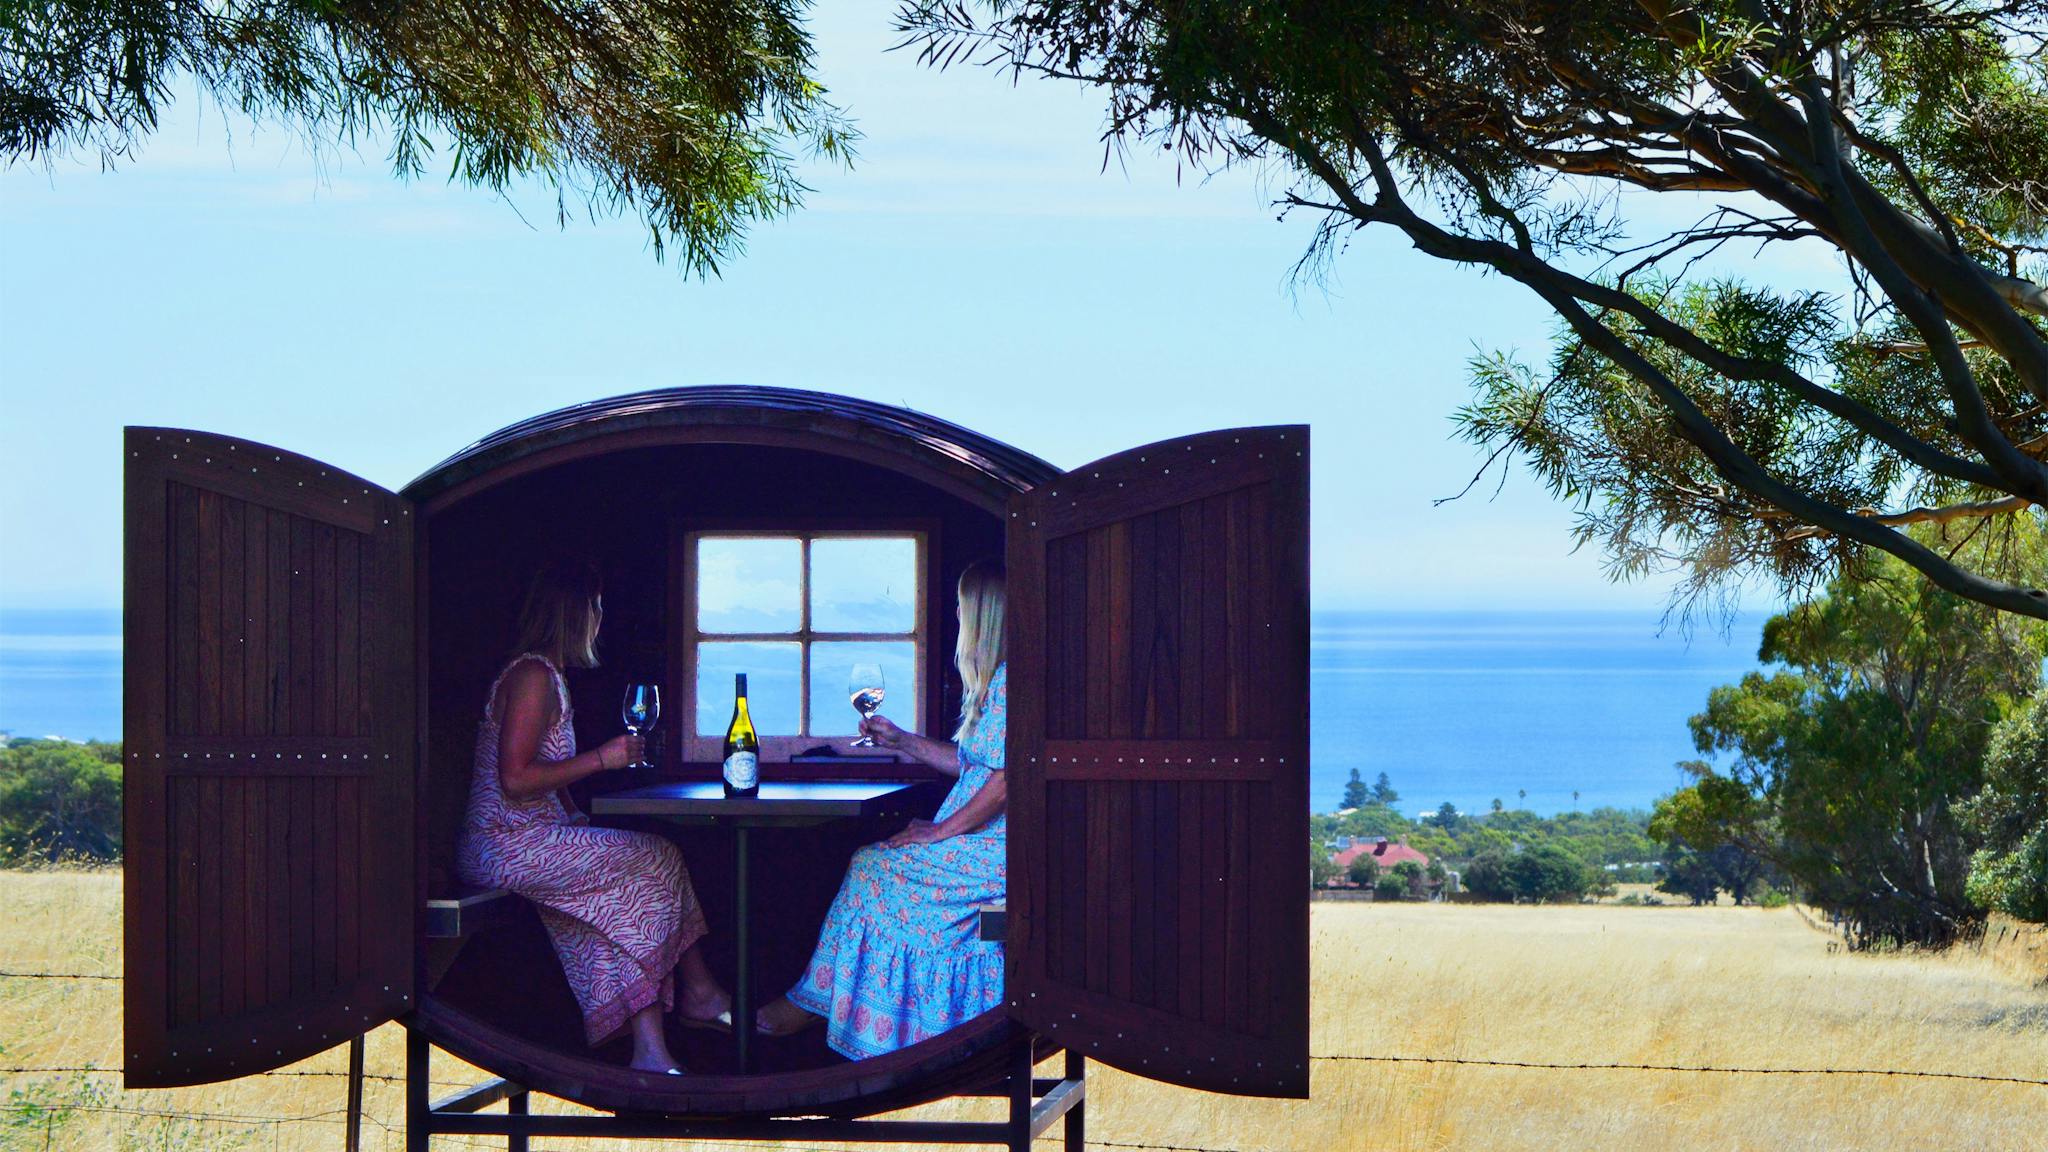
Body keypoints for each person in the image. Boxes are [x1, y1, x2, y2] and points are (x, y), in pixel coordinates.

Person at [457, 558, 730, 1074]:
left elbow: (543, 783)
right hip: (503, 843)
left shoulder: (547, 673)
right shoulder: (533, 674)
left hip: (531, 836)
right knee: (658, 857)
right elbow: (514, 779)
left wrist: (579, 822)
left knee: (614, 909)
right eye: (596, 608)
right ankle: (699, 991)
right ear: (574, 612)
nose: (600, 619)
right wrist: (604, 758)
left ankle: (651, 1051)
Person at [755, 560, 1009, 1059]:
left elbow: (1006, 782)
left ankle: (820, 1004)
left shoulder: (1013, 680)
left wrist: (939, 832)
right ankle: (825, 1002)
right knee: (872, 863)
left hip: (996, 851)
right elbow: (977, 766)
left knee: (872, 868)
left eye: (961, 610)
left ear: (982, 616)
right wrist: (901, 740)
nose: (957, 618)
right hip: (977, 838)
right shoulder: (1003, 679)